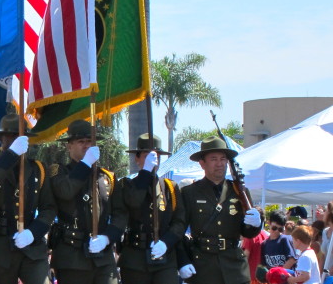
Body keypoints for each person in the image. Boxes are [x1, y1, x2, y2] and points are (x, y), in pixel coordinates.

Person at [0, 113, 56, 284]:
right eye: (9, 136)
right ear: (1, 139)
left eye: (18, 136)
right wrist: (11, 154)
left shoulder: (38, 169)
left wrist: (33, 233)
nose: (13, 140)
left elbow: (48, 208)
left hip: (32, 246)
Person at [48, 120, 127, 284]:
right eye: (81, 142)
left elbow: (120, 215)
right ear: (69, 146)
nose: (86, 145)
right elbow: (66, 191)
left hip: (103, 258)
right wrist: (85, 164)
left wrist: (107, 238)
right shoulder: (59, 172)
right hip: (71, 257)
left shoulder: (107, 177)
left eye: (89, 142)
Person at [181, 136, 262, 284]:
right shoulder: (190, 193)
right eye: (213, 159)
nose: (219, 164)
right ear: (202, 163)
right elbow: (178, 230)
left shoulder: (239, 190)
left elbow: (248, 232)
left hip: (234, 265)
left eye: (223, 159)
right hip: (203, 266)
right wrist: (183, 261)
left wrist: (257, 223)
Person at [117, 133, 188, 283]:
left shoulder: (170, 187)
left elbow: (180, 221)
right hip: (134, 258)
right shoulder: (126, 184)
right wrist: (145, 173)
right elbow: (133, 201)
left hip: (165, 258)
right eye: (146, 155)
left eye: (156, 156)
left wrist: (166, 242)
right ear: (137, 158)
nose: (153, 159)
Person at [241, 207, 269, 284]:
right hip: (263, 277)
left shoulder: (250, 236)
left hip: (251, 278)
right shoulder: (266, 235)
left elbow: (245, 257)